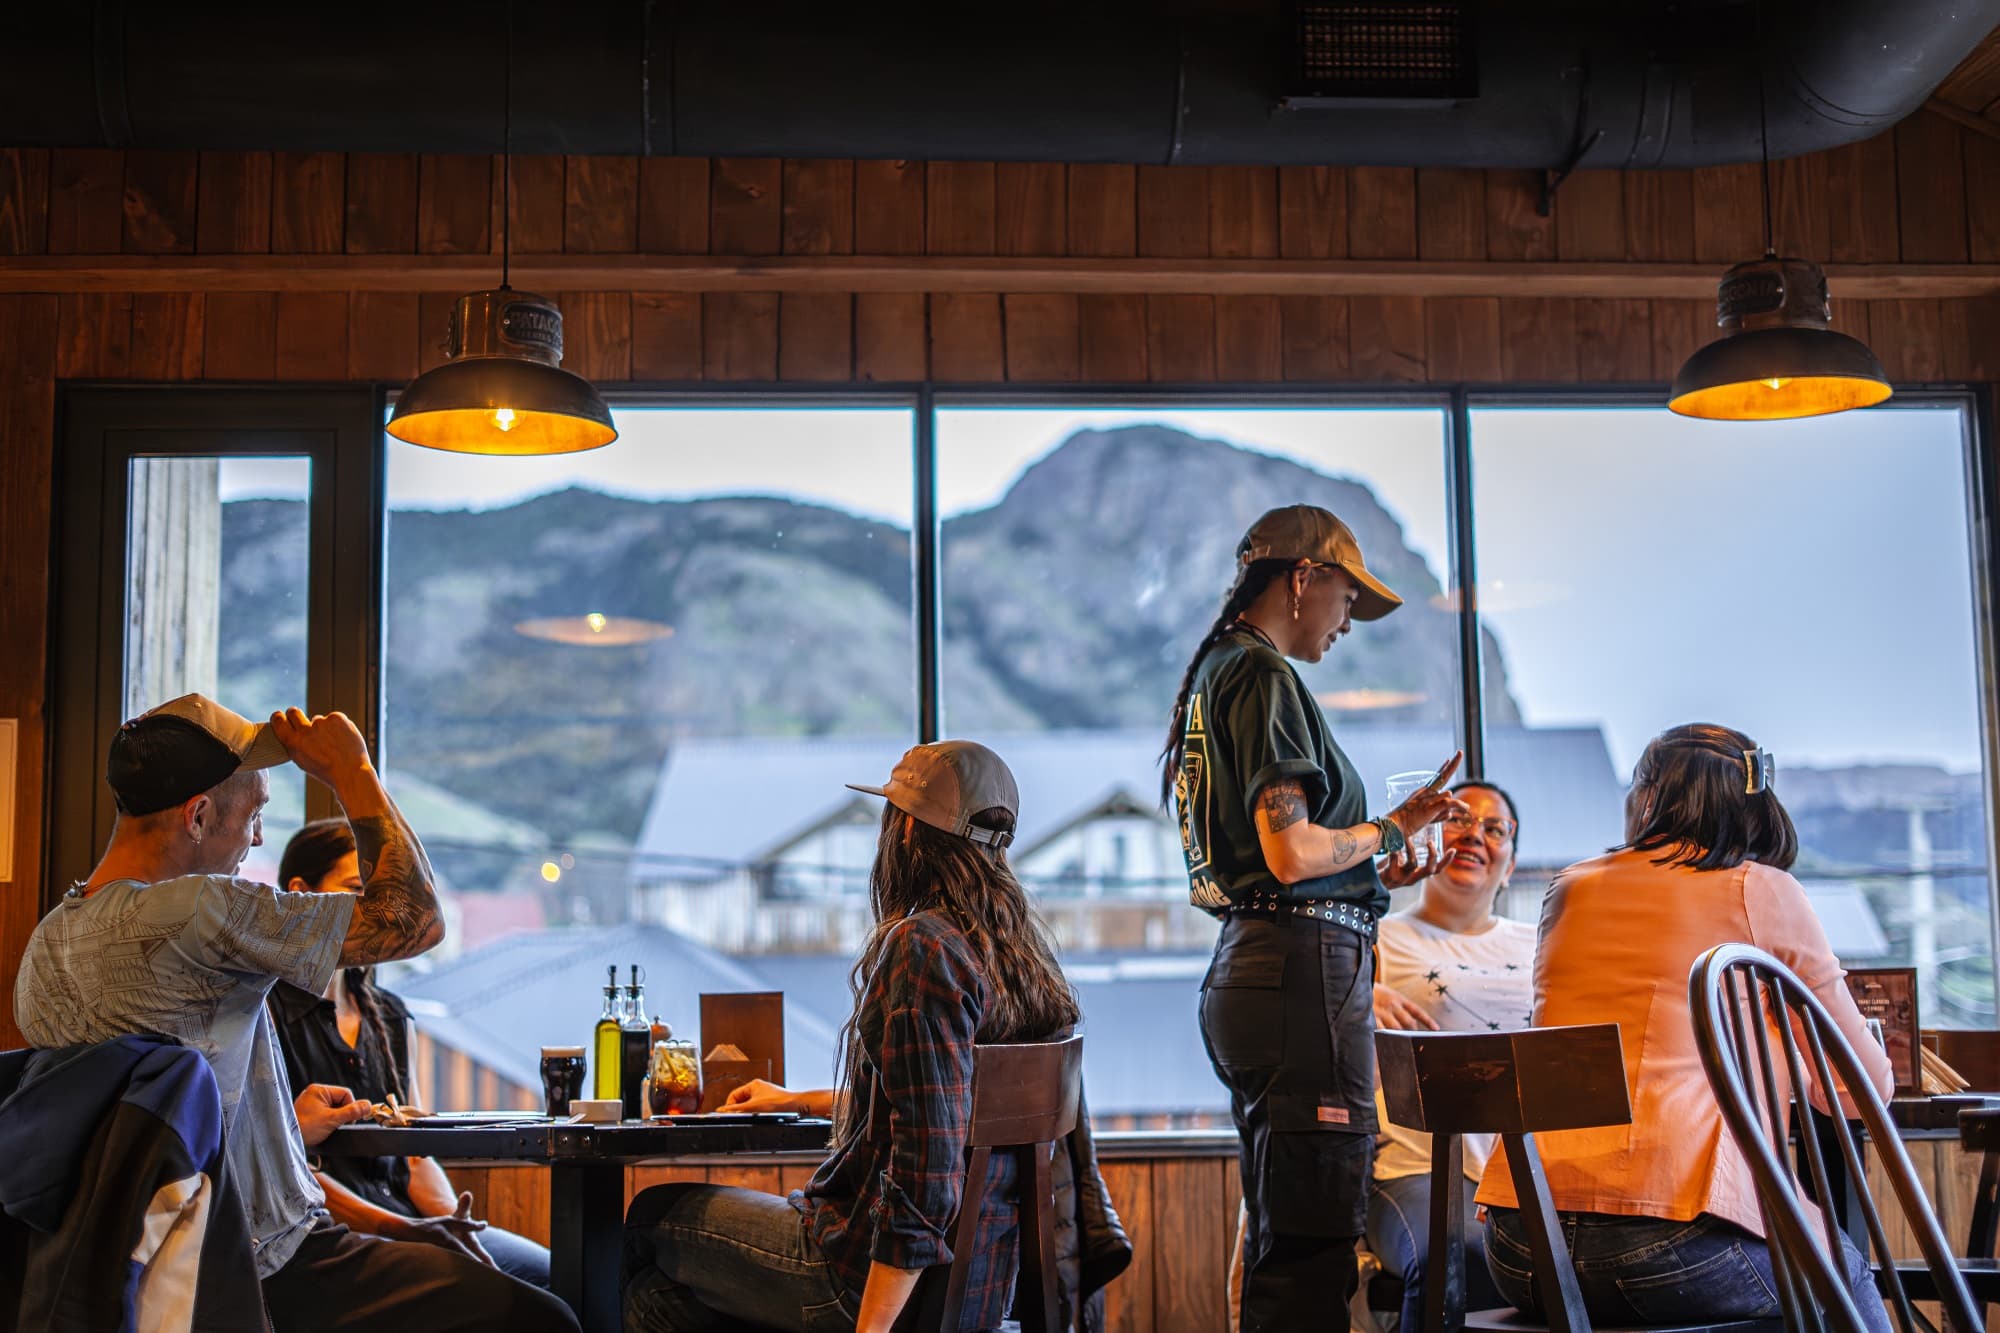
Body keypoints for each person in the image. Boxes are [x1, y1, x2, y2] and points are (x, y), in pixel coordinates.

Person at [11, 693, 578, 1333]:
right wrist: (352, 772)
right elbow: (415, 920)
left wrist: (281, 1125)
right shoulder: (201, 910)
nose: (257, 837)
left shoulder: (47, 944)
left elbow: (139, 1126)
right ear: (197, 816)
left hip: (132, 1268)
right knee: (542, 1317)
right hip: (258, 1263)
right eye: (254, 814)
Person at [623, 740, 1082, 1333]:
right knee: (655, 1300)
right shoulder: (1023, 955)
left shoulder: (926, 948)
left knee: (648, 1217)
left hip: (868, 1281)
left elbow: (928, 1169)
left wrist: (873, 1328)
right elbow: (945, 1108)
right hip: (981, 1291)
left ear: (908, 833)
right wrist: (798, 1100)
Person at [1475, 723, 1893, 1333]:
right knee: (1846, 1273)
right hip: (1672, 1249)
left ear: (1648, 798)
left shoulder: (1569, 888)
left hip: (1522, 1247)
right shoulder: (1761, 891)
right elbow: (1861, 1092)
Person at [1162, 504, 1463, 1333]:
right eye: (1347, 597)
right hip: (1301, 981)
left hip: (1262, 968)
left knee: (1289, 1233)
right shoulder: (1261, 675)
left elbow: (1281, 863)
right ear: (1303, 577)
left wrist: (1373, 866)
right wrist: (1391, 829)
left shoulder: (1219, 670)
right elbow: (1292, 853)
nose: (1348, 623)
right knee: (1312, 1248)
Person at [269, 818, 553, 1287]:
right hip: (334, 1235)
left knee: (551, 1276)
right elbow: (278, 1168)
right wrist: (407, 1231)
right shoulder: (265, 1015)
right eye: (356, 890)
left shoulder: (389, 1016)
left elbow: (415, 1158)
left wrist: (452, 1225)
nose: (374, 913)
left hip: (406, 1219)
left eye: (380, 897)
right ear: (300, 893)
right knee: (507, 1298)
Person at [1366, 782, 1535, 1332]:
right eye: (1459, 820)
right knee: (1454, 1250)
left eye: (1495, 828)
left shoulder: (1540, 944)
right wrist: (1359, 995)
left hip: (1526, 1167)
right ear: (1429, 839)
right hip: (1414, 1164)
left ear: (1510, 866)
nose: (1475, 836)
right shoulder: (1376, 939)